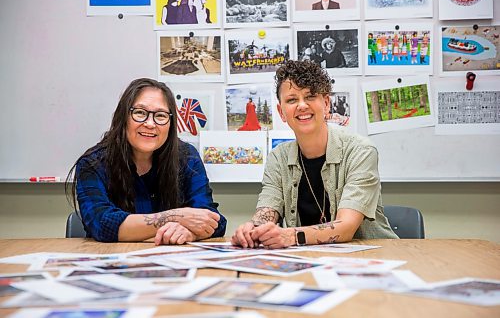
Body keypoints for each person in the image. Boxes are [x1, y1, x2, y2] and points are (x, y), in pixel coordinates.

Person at [231, 60, 398, 249]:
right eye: (292, 100)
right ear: (281, 112)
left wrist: (290, 236)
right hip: (308, 259)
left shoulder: (360, 151)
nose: (302, 106)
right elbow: (267, 209)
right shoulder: (278, 158)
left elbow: (346, 226)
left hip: (371, 258)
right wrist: (253, 230)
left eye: (310, 96)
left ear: (326, 104)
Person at [66, 78, 226, 245]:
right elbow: (102, 224)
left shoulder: (187, 157)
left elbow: (214, 220)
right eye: (140, 113)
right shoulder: (93, 163)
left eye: (161, 115)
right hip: (112, 262)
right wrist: (177, 217)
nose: (150, 124)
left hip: (172, 261)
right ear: (123, 117)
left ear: (170, 123)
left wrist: (188, 233)